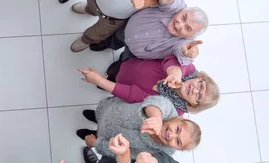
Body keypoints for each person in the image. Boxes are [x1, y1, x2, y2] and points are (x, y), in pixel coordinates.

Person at [77, 95, 201, 163]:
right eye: (177, 129)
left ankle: (94, 133)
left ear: (177, 149)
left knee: (96, 134)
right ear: (177, 119)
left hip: (107, 136)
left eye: (177, 142)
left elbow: (124, 153)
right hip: (112, 110)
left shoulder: (159, 153)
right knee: (102, 115)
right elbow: (154, 103)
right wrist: (156, 118)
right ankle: (96, 117)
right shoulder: (167, 110)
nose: (171, 135)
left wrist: (97, 143)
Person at [78, 57, 220, 115]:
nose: (194, 90)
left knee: (109, 84)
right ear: (200, 78)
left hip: (123, 87)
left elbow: (133, 95)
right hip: (131, 63)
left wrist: (101, 82)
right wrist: (174, 73)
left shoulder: (172, 109)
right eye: (200, 85)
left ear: (194, 105)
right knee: (115, 69)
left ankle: (105, 83)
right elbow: (171, 62)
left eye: (198, 96)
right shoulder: (188, 69)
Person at [121, 0, 208, 65]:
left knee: (122, 62)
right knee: (112, 40)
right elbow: (171, 0)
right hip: (124, 28)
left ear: (190, 36)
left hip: (132, 54)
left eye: (187, 28)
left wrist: (188, 55)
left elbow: (183, 55)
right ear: (183, 10)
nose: (179, 25)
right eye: (183, 17)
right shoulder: (178, 7)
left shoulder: (184, 43)